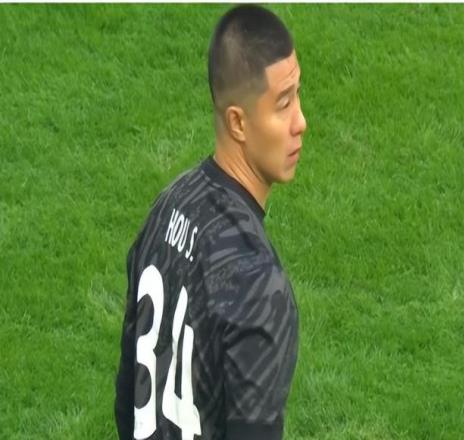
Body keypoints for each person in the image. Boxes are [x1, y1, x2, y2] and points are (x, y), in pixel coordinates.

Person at [115, 4, 307, 440]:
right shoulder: (258, 284)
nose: (301, 122)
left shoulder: (167, 205)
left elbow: (127, 397)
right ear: (238, 122)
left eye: (298, 95)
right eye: (283, 104)